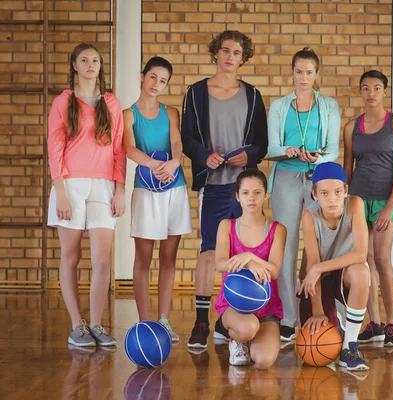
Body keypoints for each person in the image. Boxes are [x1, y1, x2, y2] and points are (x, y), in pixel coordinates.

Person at [181, 30, 268, 349]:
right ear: (215, 53)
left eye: (237, 52)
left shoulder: (254, 95)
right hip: (213, 187)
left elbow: (262, 142)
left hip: (244, 190)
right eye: (225, 50)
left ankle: (236, 318)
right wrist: (204, 155)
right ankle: (201, 322)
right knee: (208, 253)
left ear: (243, 59)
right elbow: (187, 138)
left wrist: (252, 156)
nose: (230, 56)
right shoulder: (195, 93)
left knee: (245, 254)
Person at [47, 43, 126, 347]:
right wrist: (61, 191)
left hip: (104, 185)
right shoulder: (63, 102)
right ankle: (76, 325)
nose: (91, 64)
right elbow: (55, 149)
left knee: (103, 260)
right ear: (74, 66)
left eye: (95, 60)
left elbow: (119, 149)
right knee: (71, 256)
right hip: (71, 184)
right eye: (84, 60)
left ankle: (96, 323)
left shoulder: (112, 104)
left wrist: (120, 189)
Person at [267, 47, 341, 341]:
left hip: (316, 179)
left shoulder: (329, 106)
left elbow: (333, 149)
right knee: (286, 246)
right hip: (285, 176)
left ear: (316, 75)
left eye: (309, 72)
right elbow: (271, 147)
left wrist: (317, 159)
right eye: (299, 71)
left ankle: (316, 310)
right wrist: (286, 150)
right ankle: (287, 317)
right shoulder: (279, 106)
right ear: (292, 73)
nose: (304, 77)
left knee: (317, 246)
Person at [123, 56, 192, 342]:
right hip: (146, 189)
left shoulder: (171, 112)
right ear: (143, 76)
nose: (156, 84)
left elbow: (176, 141)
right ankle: (144, 322)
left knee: (168, 256)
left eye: (162, 80)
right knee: (143, 257)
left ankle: (163, 320)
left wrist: (175, 162)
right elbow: (128, 148)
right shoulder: (129, 114)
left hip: (174, 188)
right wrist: (155, 165)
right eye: (153, 77)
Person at [343, 70, 393, 347]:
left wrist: (389, 207)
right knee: (364, 259)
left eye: (376, 88)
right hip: (358, 199)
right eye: (366, 88)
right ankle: (375, 322)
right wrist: (342, 201)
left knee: (382, 259)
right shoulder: (350, 127)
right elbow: (348, 167)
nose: (371, 93)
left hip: (385, 200)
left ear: (384, 91)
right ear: (361, 92)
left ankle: (392, 323)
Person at [298, 162, 370, 371]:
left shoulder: (356, 204)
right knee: (320, 345)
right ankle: (335, 320)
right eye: (324, 193)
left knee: (361, 271)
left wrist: (318, 268)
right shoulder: (309, 216)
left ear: (346, 191)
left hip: (344, 274)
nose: (332, 198)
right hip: (317, 283)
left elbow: (360, 253)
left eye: (338, 192)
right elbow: (312, 265)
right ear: (314, 194)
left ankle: (350, 348)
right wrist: (318, 311)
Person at [213, 169, 287, 368]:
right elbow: (219, 263)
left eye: (257, 192)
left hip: (266, 305)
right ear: (237, 196)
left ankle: (250, 337)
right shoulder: (226, 226)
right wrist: (248, 263)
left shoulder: (277, 230)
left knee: (263, 361)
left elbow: (274, 271)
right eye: (245, 193)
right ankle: (237, 338)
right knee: (247, 328)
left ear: (266, 195)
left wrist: (251, 255)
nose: (251, 198)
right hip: (233, 304)